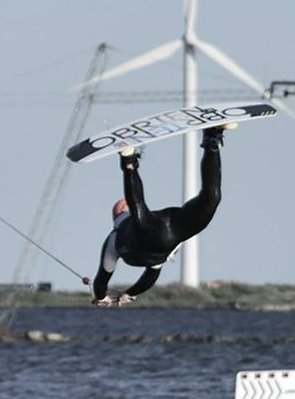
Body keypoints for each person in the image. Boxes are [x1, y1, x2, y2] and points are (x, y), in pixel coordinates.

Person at [91, 124, 230, 306]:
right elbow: (107, 279)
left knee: (211, 198)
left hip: (169, 226)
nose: (123, 205)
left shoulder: (132, 223)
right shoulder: (115, 238)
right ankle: (129, 163)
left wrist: (105, 297)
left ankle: (211, 141)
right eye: (121, 206)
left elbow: (104, 283)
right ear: (117, 214)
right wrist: (118, 295)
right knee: (139, 210)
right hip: (158, 237)